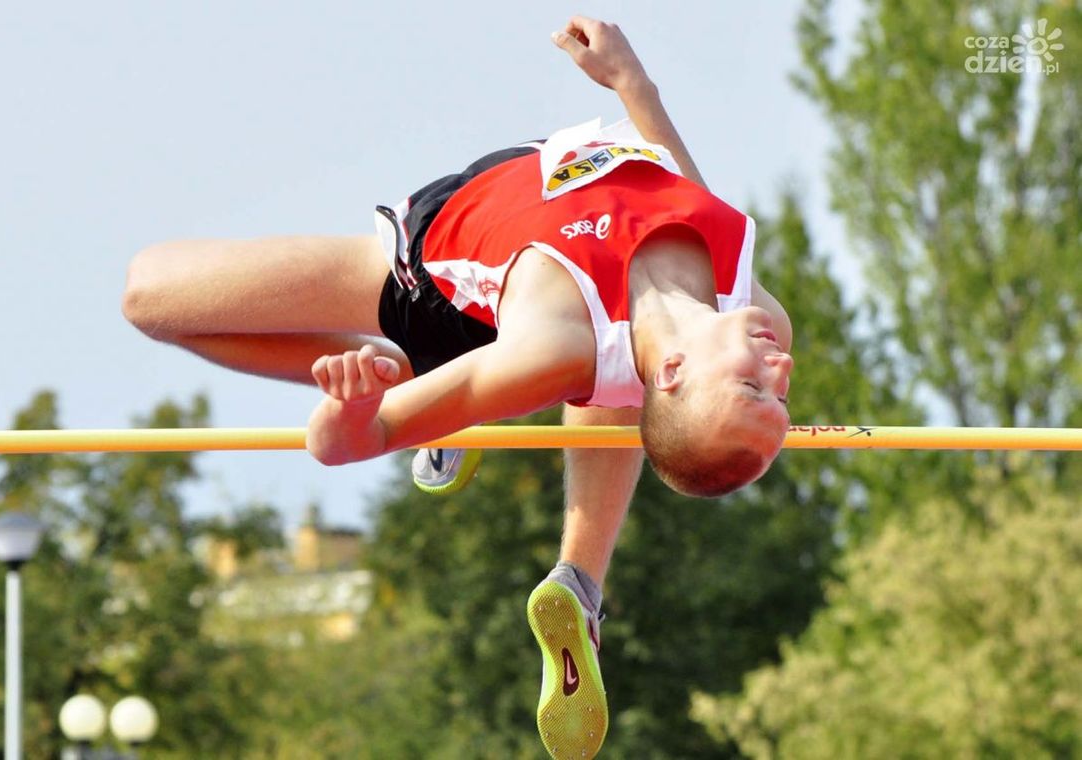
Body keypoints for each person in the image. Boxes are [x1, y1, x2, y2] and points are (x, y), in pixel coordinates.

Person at [122, 16, 792, 759]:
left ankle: (435, 391)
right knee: (612, 379)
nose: (781, 373)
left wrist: (356, 401)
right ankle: (577, 576)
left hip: (435, 286)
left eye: (754, 392)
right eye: (780, 401)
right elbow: (688, 192)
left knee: (147, 296)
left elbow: (346, 443)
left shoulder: (559, 343)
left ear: (676, 372)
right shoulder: (756, 311)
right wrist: (635, 84)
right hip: (548, 201)